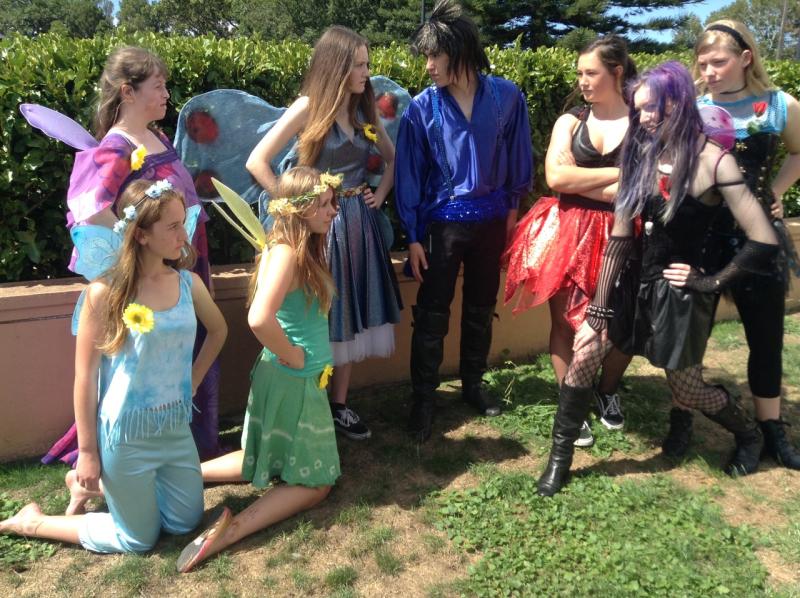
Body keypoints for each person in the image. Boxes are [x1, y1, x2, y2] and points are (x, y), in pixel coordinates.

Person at [536, 62, 779, 497]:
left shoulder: (713, 160)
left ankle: (749, 435)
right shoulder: (640, 156)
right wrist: (598, 309)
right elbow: (619, 240)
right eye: (639, 109)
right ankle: (559, 460)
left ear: (679, 102)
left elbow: (762, 239)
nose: (645, 118)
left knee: (690, 390)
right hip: (630, 282)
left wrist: (710, 282)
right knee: (585, 353)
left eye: (653, 108)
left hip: (677, 293)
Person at [0, 180, 227, 552]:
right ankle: (33, 521)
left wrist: (194, 379)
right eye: (172, 226)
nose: (183, 235)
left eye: (182, 223)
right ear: (141, 235)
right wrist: (88, 453)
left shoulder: (189, 284)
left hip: (174, 428)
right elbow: (85, 377)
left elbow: (218, 330)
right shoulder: (105, 293)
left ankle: (106, 489)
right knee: (138, 539)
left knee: (184, 523)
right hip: (125, 435)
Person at [42, 46, 223, 463]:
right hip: (162, 265)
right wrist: (144, 244)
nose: (166, 94)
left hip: (184, 255)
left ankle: (189, 440)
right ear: (128, 91)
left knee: (190, 339)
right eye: (157, 86)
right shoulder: (117, 146)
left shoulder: (157, 136)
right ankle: (146, 444)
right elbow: (91, 209)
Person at [175, 167, 340, 573]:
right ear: (300, 209)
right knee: (317, 484)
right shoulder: (286, 253)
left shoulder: (286, 247)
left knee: (258, 457)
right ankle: (231, 531)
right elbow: (259, 318)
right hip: (295, 379)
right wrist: (295, 356)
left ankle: (172, 476)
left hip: (286, 378)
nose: (333, 210)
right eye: (324, 204)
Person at [246, 26, 402, 441]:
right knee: (317, 310)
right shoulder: (308, 107)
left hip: (357, 225)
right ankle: (308, 400)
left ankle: (338, 406)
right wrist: (293, 205)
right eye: (359, 65)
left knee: (348, 310)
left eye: (367, 64)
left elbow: (393, 159)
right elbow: (257, 161)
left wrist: (379, 194)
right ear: (336, 66)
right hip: (318, 227)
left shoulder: (364, 113)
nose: (366, 73)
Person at [659, 20, 800, 467]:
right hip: (701, 238)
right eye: (702, 63)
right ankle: (681, 419)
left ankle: (771, 431)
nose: (709, 71)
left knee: (765, 336)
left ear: (746, 58)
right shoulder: (691, 108)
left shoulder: (778, 104)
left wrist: (775, 190)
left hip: (757, 241)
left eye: (718, 62)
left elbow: (799, 151)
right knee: (690, 338)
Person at [394, 0, 533, 441]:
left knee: (480, 308)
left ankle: (473, 385)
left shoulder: (507, 97)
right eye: (426, 57)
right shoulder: (421, 109)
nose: (428, 66)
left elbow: (518, 161)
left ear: (460, 51)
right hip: (442, 226)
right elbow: (409, 175)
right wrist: (413, 237)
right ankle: (423, 399)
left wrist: (511, 216)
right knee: (431, 316)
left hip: (492, 222)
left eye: (435, 55)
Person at [504, 36, 636, 446]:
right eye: (579, 73)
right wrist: (622, 175)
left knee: (621, 322)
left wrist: (585, 181)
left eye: (591, 73)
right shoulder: (571, 122)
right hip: (569, 233)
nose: (582, 81)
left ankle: (606, 390)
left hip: (623, 233)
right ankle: (569, 405)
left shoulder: (642, 122)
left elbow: (648, 183)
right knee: (563, 321)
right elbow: (556, 178)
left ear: (617, 72)